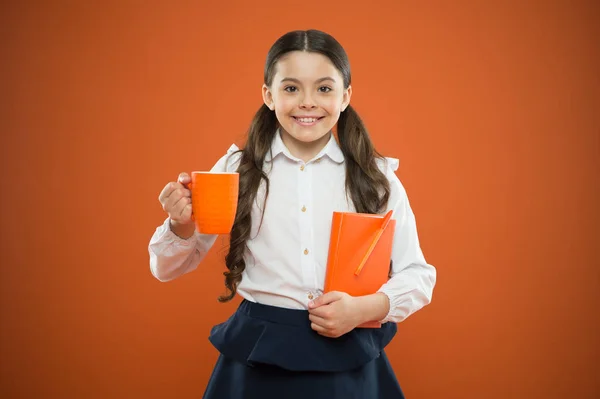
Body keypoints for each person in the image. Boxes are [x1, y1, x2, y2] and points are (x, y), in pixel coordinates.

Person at [148, 29, 436, 399]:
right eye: (290, 88)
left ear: (346, 96)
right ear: (268, 95)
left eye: (324, 88)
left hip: (347, 351)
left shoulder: (375, 176)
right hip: (258, 353)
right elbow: (167, 268)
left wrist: (364, 308)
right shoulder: (234, 170)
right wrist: (181, 223)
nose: (307, 102)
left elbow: (417, 273)